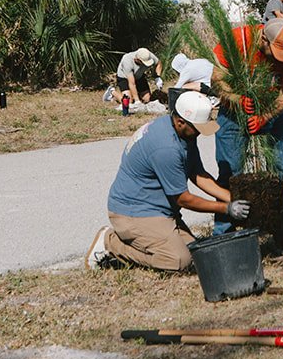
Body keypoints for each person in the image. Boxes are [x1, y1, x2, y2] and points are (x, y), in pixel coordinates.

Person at [87, 92, 249, 271]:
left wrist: (232, 198)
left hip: (158, 211)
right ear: (180, 122)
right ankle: (110, 243)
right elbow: (183, 199)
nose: (200, 133)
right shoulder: (166, 148)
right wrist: (226, 208)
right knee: (178, 261)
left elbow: (197, 173)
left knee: (197, 255)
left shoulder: (182, 132)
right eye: (198, 128)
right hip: (134, 213)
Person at [210, 16, 283, 236]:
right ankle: (225, 234)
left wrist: (265, 117)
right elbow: (216, 80)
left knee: (280, 171)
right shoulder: (237, 40)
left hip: (273, 112)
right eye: (276, 55)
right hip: (233, 114)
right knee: (230, 171)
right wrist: (237, 99)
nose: (281, 61)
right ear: (263, 39)